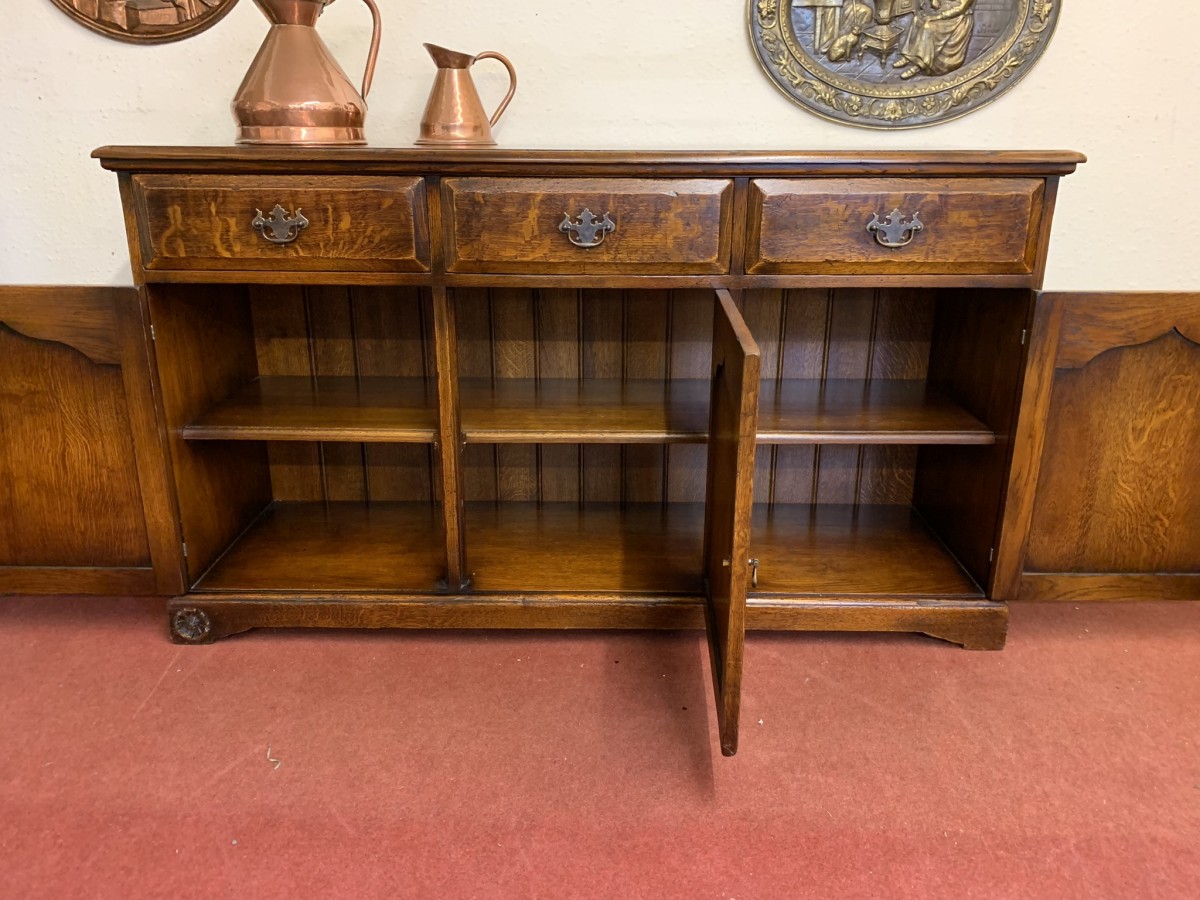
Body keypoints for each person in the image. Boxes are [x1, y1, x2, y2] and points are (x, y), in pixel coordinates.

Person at [893, 0, 976, 79]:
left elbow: (959, 9)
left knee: (928, 27)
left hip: (956, 19)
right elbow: (936, 4)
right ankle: (909, 56)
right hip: (942, 12)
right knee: (917, 20)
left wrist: (937, 17)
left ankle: (920, 65)